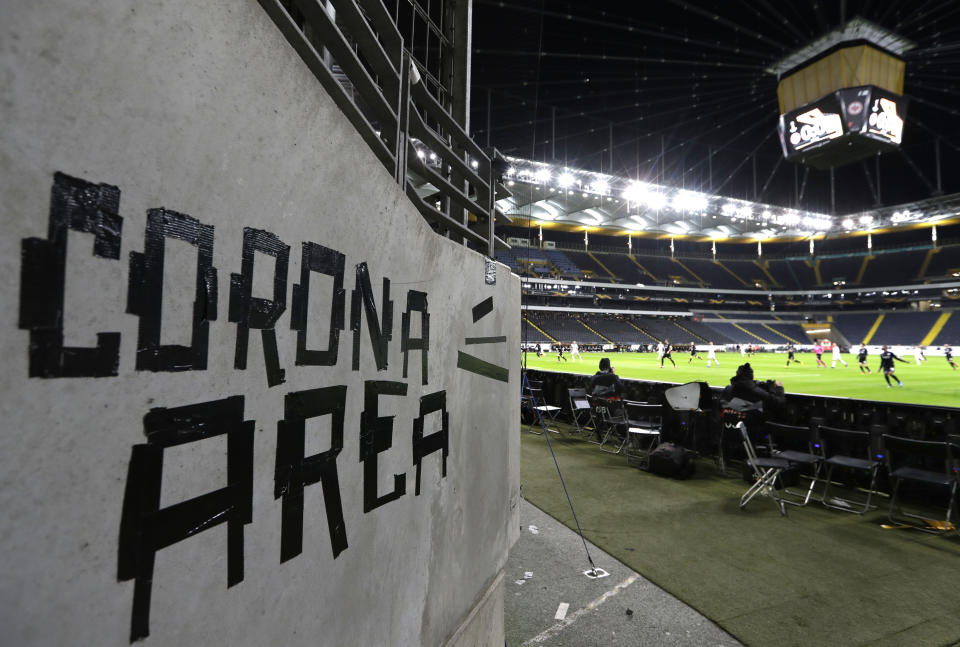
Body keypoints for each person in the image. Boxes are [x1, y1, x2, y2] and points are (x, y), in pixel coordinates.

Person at [721, 362, 785, 409]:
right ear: (752, 377)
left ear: (736, 375)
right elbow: (778, 403)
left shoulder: (727, 389)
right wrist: (779, 388)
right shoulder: (759, 393)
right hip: (754, 425)